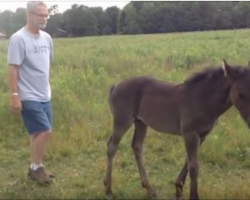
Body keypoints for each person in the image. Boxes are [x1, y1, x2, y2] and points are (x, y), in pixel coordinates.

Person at [7, 1, 54, 185]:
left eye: (46, 15)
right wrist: (15, 95)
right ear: (29, 15)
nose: (44, 18)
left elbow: (46, 65)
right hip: (27, 95)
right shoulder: (19, 39)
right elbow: (13, 69)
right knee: (45, 131)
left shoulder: (47, 38)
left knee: (36, 132)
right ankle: (36, 168)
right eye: (40, 15)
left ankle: (34, 167)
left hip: (44, 94)